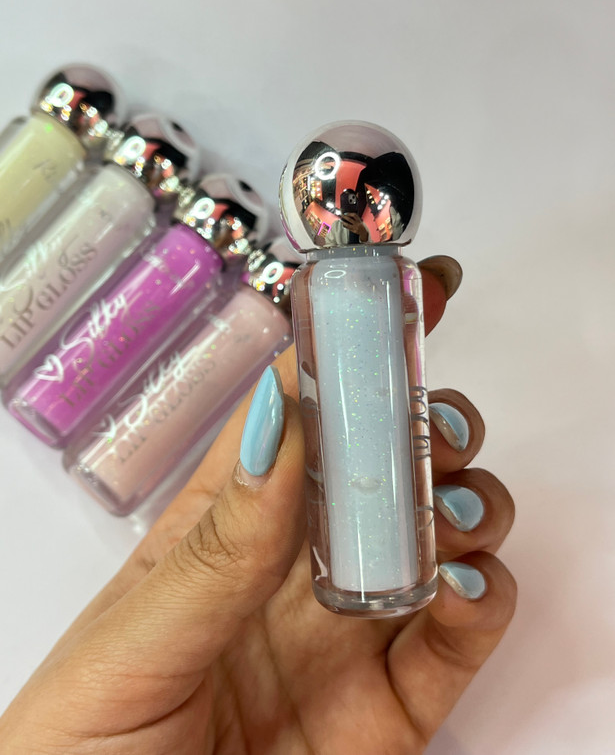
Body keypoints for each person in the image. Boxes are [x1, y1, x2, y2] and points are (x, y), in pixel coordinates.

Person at [0, 256, 517, 754]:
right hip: (319, 607)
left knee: (424, 453)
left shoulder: (361, 282)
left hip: (360, 605)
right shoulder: (325, 283)